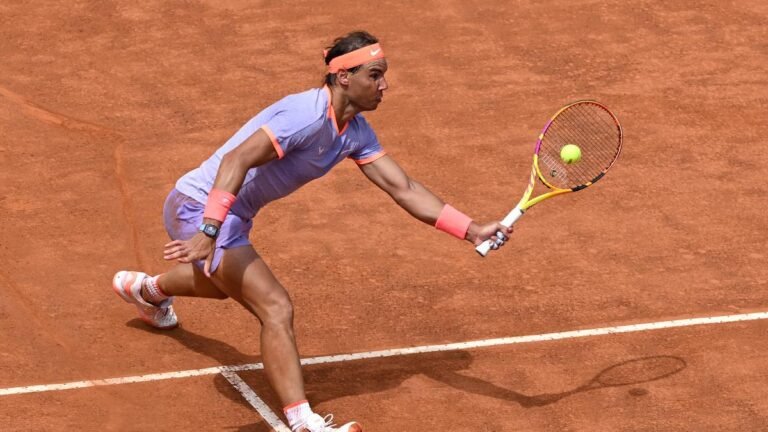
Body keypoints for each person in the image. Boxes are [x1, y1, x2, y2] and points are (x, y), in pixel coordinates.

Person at [112, 30, 512, 432]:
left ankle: (147, 292)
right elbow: (236, 160)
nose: (384, 85)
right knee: (275, 306)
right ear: (343, 77)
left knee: (220, 285)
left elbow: (402, 188)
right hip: (201, 207)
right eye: (374, 75)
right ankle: (302, 422)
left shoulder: (355, 133)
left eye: (383, 74)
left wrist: (471, 229)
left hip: (229, 214)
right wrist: (208, 231)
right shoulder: (303, 116)